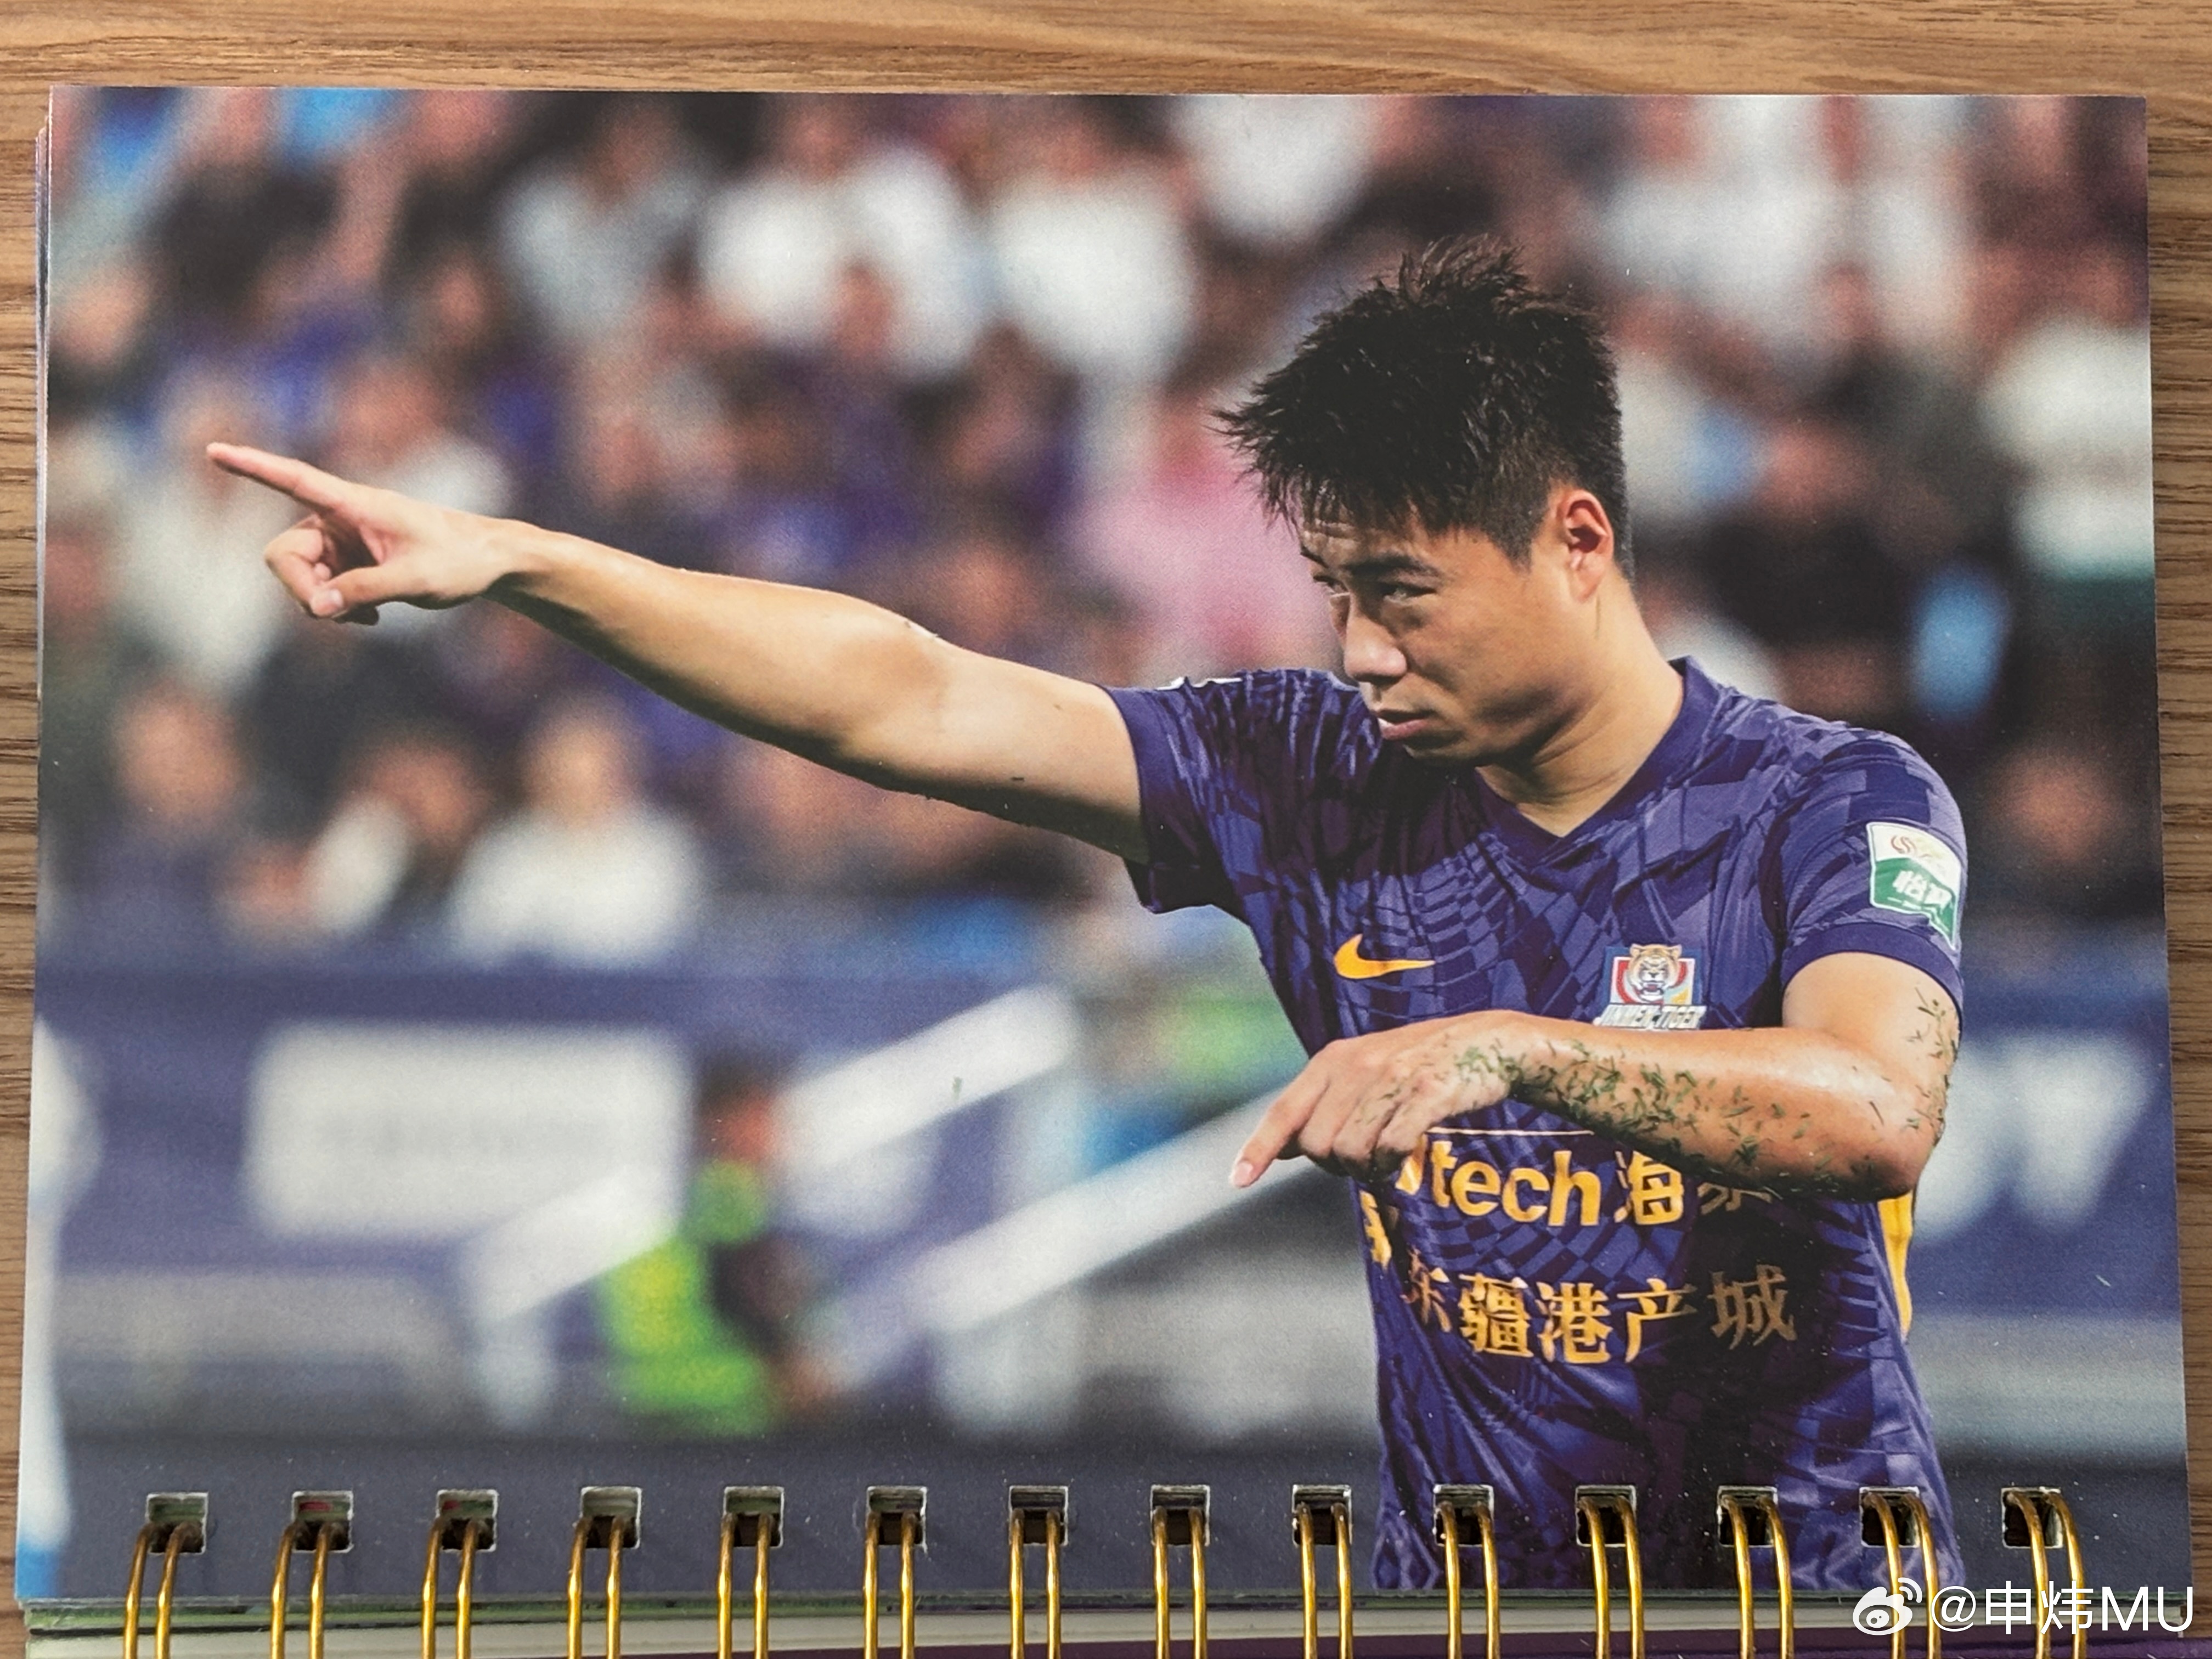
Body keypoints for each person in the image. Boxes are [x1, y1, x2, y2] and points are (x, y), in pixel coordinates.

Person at [209, 239, 1964, 1593]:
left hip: (1821, 1600)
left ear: (1577, 542)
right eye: (1337, 594)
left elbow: (1877, 1110)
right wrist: (530, 564)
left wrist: (1510, 1050)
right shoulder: (1308, 772)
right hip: (1466, 1610)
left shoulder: (1834, 802)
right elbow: (905, 696)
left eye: (1406, 593)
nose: (1363, 651)